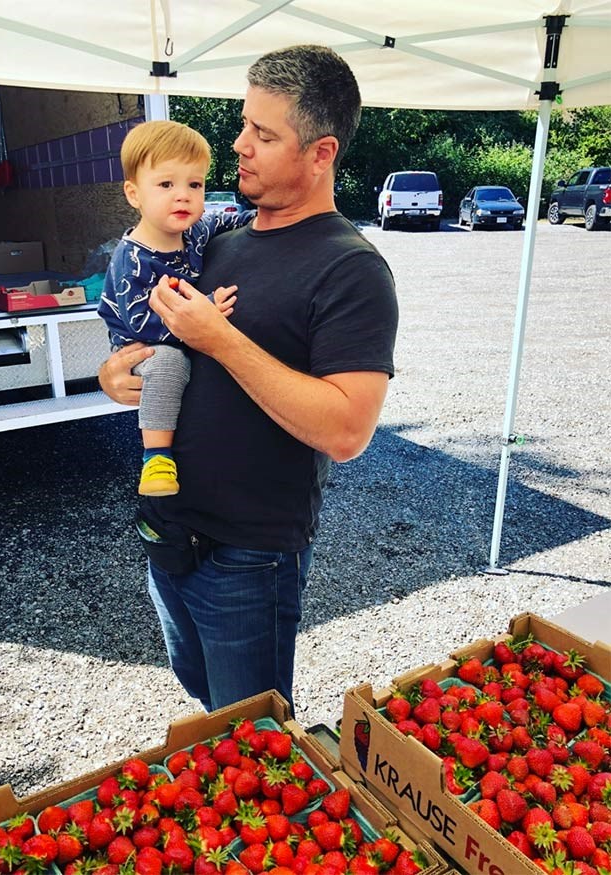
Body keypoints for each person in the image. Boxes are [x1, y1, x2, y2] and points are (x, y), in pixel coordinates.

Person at [99, 44, 398, 714]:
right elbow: (151, 338)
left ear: (321, 153)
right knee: (207, 702)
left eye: (263, 135)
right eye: (243, 125)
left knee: (251, 735)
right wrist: (112, 371)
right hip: (170, 528)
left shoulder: (350, 268)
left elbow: (348, 429)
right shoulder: (217, 239)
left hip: (248, 557)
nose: (239, 146)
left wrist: (220, 339)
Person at [97, 120, 254, 496]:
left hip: (182, 332)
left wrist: (264, 218)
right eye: (166, 184)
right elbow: (141, 322)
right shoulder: (132, 258)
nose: (183, 196)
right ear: (134, 194)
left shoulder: (195, 231)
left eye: (194, 184)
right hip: (140, 343)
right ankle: (156, 457)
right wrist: (204, 317)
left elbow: (230, 219)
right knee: (170, 362)